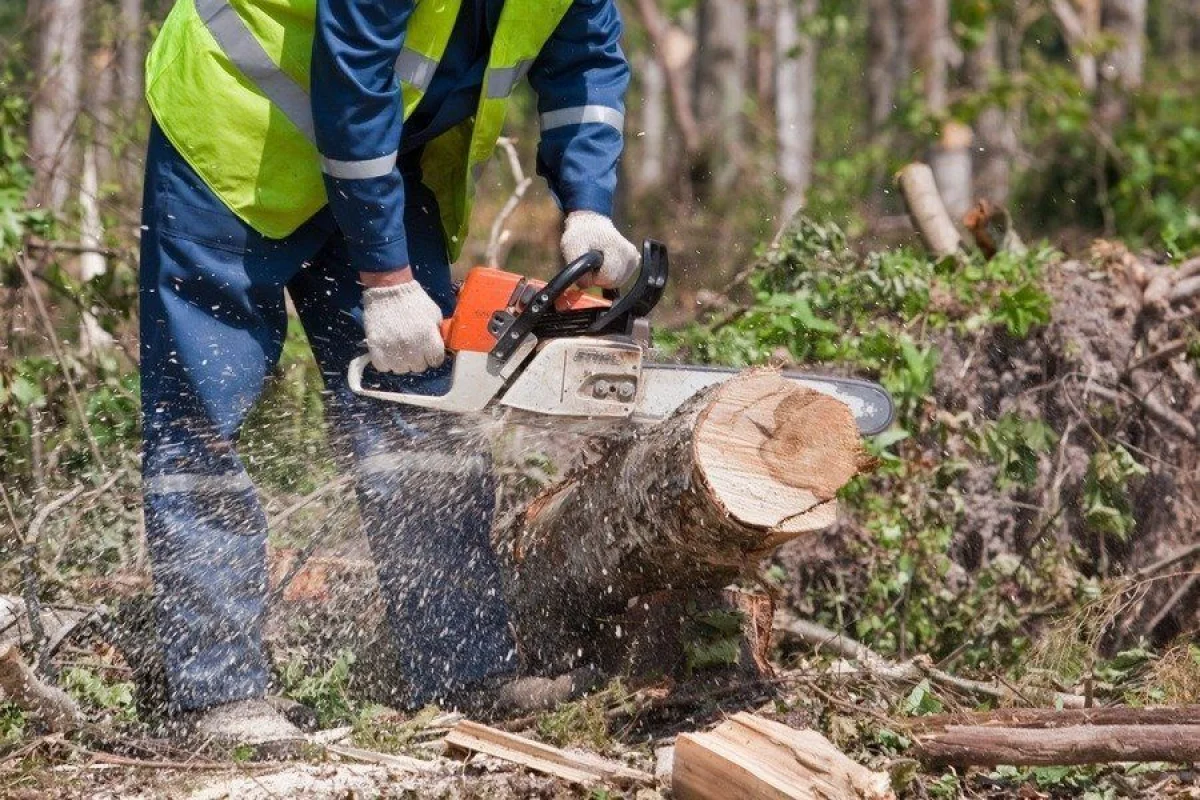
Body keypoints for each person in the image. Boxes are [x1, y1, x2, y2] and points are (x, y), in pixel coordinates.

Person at [139, 0, 637, 748]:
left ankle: (464, 670)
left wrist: (589, 207)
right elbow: (354, 72)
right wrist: (386, 277)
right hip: (235, 136)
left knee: (424, 414)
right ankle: (218, 695)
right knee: (204, 416)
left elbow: (589, 65)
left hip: (382, 152)